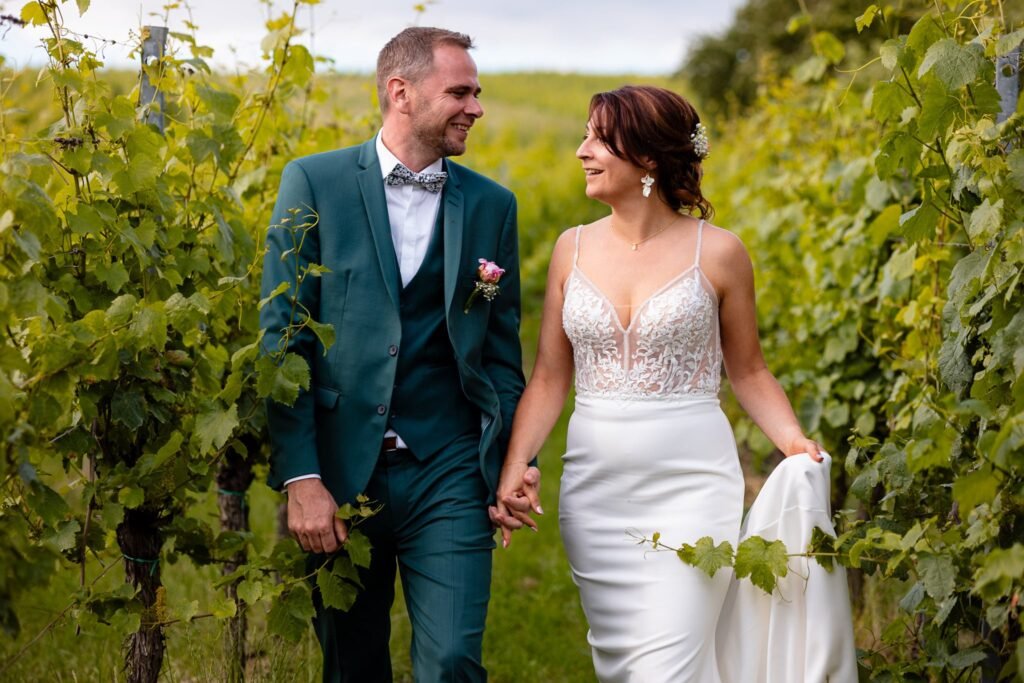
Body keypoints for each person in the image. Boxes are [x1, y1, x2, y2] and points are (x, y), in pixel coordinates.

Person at [490, 85, 855, 682]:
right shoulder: (570, 249)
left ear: (649, 157)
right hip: (594, 496)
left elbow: (749, 369)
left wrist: (791, 441)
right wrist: (515, 463)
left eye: (597, 138)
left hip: (692, 489)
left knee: (671, 669)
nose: (581, 150)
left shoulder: (720, 254)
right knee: (627, 669)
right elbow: (552, 377)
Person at [259, 27, 528, 682]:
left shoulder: (493, 205)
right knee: (351, 664)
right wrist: (301, 477)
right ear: (400, 93)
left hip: (451, 468)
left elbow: (500, 352)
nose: (476, 106)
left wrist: (515, 462)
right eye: (459, 91)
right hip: (340, 472)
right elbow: (283, 337)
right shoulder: (314, 182)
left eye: (478, 92)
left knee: (454, 660)